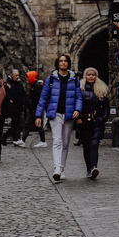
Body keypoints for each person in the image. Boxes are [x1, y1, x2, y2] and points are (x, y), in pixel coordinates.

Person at [35, 53, 81, 182]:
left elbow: (78, 97)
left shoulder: (74, 79)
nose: (63, 63)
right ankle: (57, 169)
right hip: (55, 114)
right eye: (61, 61)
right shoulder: (51, 79)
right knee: (57, 141)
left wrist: (78, 109)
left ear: (68, 63)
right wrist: (38, 115)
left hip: (69, 114)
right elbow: (43, 98)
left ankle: (62, 168)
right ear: (57, 63)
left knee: (65, 143)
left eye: (65, 61)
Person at [76, 67, 110, 180]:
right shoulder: (80, 89)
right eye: (89, 74)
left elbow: (106, 107)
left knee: (95, 144)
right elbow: (76, 104)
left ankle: (94, 167)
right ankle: (89, 169)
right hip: (84, 122)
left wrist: (103, 118)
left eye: (93, 74)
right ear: (85, 76)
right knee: (86, 146)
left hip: (97, 122)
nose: (91, 76)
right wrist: (78, 118)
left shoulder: (101, 89)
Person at [20, 70, 47, 147]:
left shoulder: (37, 86)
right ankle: (23, 140)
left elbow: (39, 98)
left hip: (35, 108)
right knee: (27, 124)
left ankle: (43, 141)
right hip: (33, 108)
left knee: (38, 124)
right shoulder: (33, 85)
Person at [4, 70, 28, 146]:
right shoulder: (7, 83)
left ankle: (15, 139)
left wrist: (23, 101)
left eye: (18, 75)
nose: (18, 77)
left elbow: (22, 94)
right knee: (14, 124)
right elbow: (6, 94)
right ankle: (5, 137)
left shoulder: (19, 84)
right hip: (11, 107)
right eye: (16, 75)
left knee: (17, 124)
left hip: (18, 106)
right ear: (12, 76)